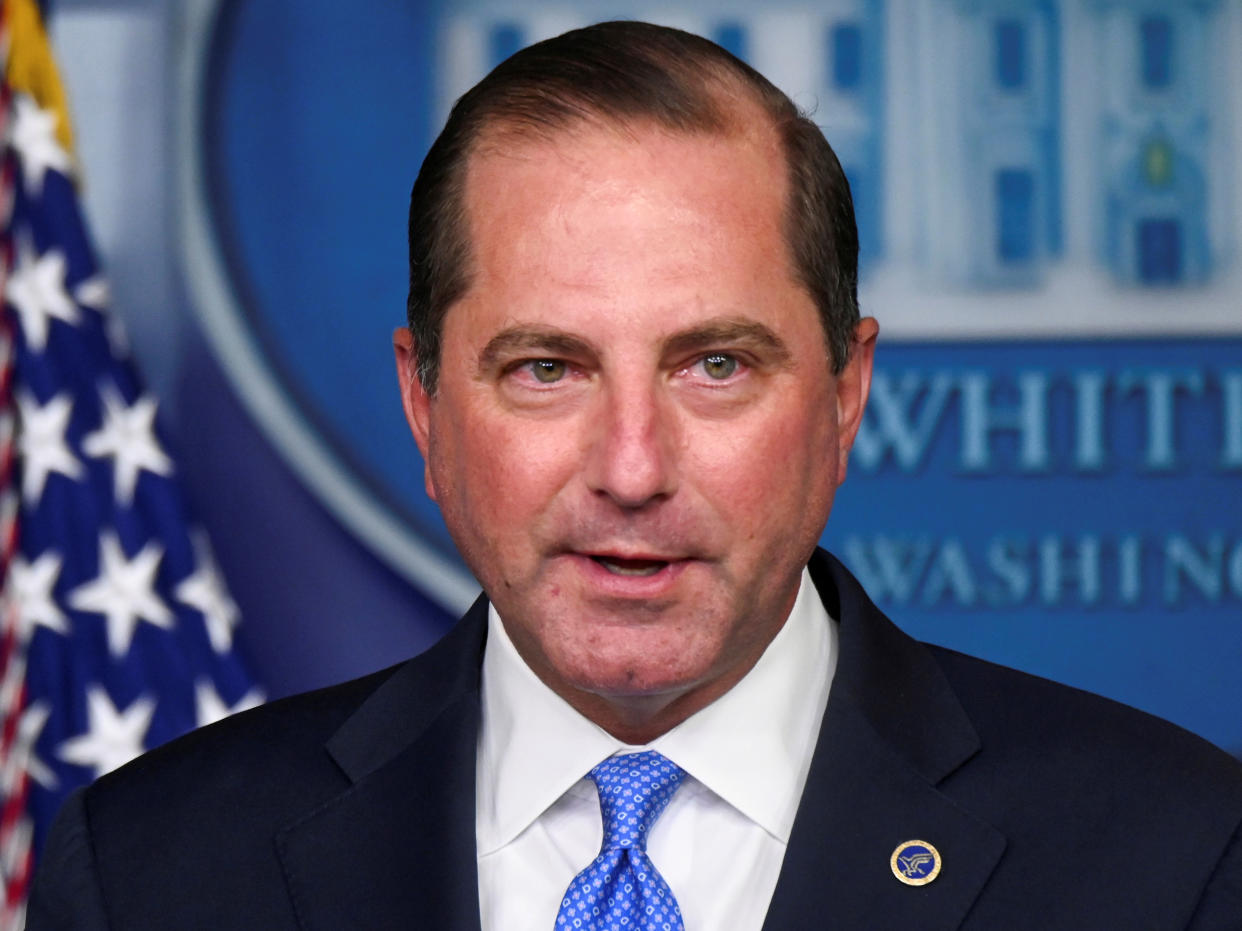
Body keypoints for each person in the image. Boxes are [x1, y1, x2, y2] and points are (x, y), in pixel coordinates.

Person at [28, 20, 1242, 930]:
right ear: (424, 401)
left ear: (843, 393)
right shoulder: (148, 872)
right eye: (547, 367)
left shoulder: (1174, 859)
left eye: (715, 364)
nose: (630, 468)